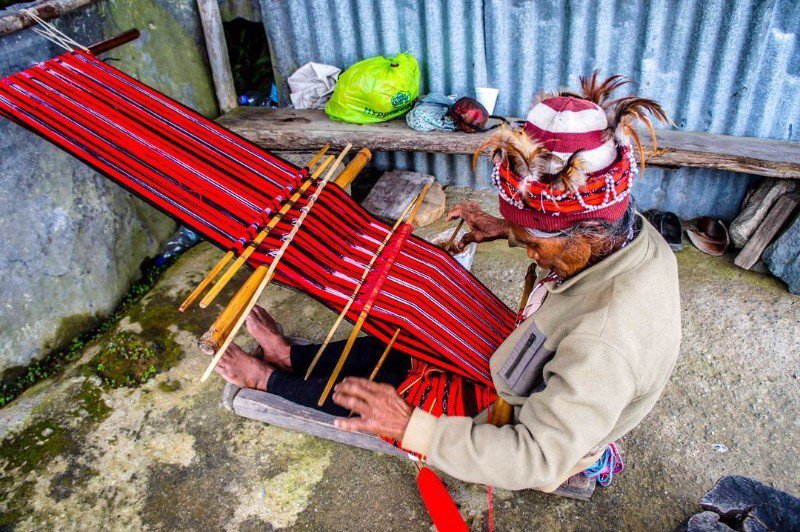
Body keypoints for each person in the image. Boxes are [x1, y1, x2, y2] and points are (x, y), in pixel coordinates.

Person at [215, 72, 682, 491]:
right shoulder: (628, 236)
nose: (530, 252)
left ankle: (266, 379)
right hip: (540, 362)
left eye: (534, 243)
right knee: (411, 334)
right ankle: (293, 356)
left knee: (397, 398)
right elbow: (571, 239)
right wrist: (508, 229)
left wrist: (412, 428)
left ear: (585, 234)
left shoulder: (603, 343)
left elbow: (536, 457)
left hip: (535, 418)